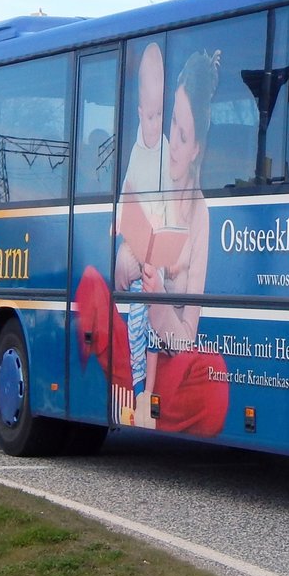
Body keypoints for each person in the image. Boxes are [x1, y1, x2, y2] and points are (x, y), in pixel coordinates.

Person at [106, 48, 227, 435]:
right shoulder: (149, 170)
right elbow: (119, 266)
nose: (172, 142)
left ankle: (145, 401)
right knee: (91, 291)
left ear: (196, 150)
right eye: (171, 122)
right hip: (130, 327)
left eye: (183, 135)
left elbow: (187, 336)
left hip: (169, 354)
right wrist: (132, 262)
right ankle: (136, 399)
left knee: (213, 372)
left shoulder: (200, 213)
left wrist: (159, 300)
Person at [117, 42, 168, 407]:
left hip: (157, 251)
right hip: (138, 250)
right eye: (148, 116)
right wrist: (119, 223)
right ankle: (138, 388)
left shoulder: (164, 151)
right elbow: (127, 193)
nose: (153, 124)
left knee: (152, 326)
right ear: (138, 114)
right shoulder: (136, 151)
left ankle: (149, 389)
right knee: (137, 323)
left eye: (159, 116)